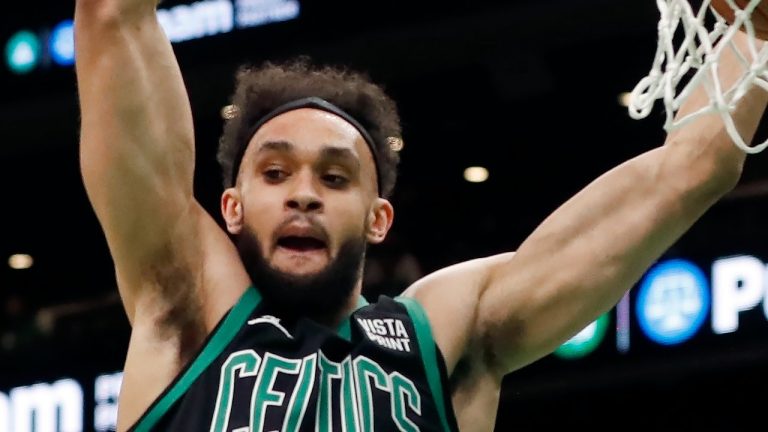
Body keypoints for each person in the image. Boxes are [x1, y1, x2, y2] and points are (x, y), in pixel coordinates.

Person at [73, 0, 768, 430]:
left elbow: (691, 169)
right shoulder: (187, 305)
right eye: (276, 172)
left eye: (336, 177)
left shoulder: (444, 332)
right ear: (230, 208)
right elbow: (111, 13)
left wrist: (756, 33)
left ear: (379, 218)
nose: (304, 193)